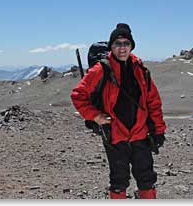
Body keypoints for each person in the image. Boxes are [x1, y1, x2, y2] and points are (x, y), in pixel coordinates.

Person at [71, 23, 166, 199]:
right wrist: (96, 116)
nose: (122, 48)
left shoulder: (140, 69)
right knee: (119, 181)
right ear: (111, 47)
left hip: (140, 134)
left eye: (126, 43)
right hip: (115, 134)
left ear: (131, 46)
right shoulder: (101, 69)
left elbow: (153, 102)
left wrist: (158, 131)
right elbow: (78, 95)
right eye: (117, 43)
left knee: (147, 179)